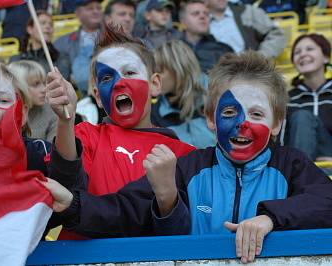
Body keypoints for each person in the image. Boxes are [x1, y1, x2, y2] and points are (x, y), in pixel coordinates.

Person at [40, 51, 332, 264]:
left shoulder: (291, 165)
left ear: (277, 123)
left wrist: (271, 218)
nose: (242, 123)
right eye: (229, 112)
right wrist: (72, 204)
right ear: (210, 119)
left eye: (256, 114)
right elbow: (124, 210)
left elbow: (326, 201)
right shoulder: (189, 166)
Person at [45, 23, 196, 239]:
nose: (118, 83)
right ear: (97, 96)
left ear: (154, 84)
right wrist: (64, 121)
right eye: (107, 77)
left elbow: (182, 232)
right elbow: (64, 189)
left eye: (130, 72)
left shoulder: (186, 155)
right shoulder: (85, 135)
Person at [151, 40, 216, 148]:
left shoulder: (216, 96)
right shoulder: (156, 110)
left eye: (159, 71)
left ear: (178, 69)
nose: (153, 77)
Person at [282, 33, 332, 161]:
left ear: (326, 57)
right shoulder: (288, 98)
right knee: (302, 117)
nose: (303, 54)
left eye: (310, 49)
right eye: (297, 52)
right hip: (302, 165)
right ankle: (301, 175)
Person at [54, 0, 103, 95]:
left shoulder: (114, 38)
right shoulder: (62, 42)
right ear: (78, 13)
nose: (95, 11)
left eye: (99, 8)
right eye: (90, 8)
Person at [206, 0, 285, 58]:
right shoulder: (199, 20)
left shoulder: (248, 12)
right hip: (217, 74)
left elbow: (276, 34)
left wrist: (261, 56)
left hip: (251, 70)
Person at [10, 10, 71, 80]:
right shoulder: (16, 60)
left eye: (51, 25)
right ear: (30, 29)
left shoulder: (61, 58)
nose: (48, 27)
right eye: (43, 23)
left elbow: (61, 83)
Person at [8, 60, 57, 142]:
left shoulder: (52, 112)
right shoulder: (3, 113)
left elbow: (54, 152)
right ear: (18, 86)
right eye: (36, 84)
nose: (44, 89)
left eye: (44, 83)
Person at [178, 0, 233, 73]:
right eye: (195, 13)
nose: (202, 16)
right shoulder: (172, 50)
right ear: (183, 21)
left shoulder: (224, 50)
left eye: (206, 14)